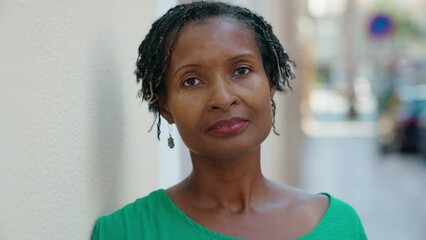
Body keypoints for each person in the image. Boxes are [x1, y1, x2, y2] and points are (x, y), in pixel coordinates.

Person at [91, 1, 367, 239]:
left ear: (270, 81)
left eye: (241, 70)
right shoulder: (123, 232)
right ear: (165, 105)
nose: (222, 98)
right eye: (191, 81)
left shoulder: (341, 226)